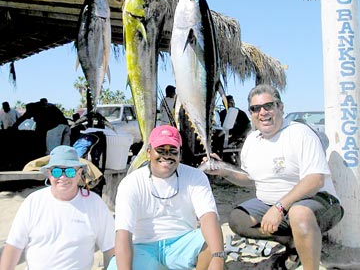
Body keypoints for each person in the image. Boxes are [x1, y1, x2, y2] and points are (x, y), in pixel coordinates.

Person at [205, 84, 344, 270]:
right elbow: (249, 178)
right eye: (255, 108)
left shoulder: (300, 133)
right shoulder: (252, 141)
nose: (262, 112)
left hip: (318, 201)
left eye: (268, 106)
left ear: (280, 107)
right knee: (238, 219)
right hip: (273, 205)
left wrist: (279, 207)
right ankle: (296, 244)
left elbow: (315, 180)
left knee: (298, 214)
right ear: (251, 113)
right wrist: (224, 171)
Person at [108, 125, 224, 270]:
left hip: (181, 244)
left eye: (172, 151)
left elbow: (209, 217)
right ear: (149, 152)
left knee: (211, 241)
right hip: (143, 248)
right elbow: (123, 233)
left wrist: (218, 257)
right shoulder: (130, 183)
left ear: (179, 153)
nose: (166, 156)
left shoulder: (196, 176)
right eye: (161, 150)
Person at [0, 145, 115, 269]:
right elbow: (14, 246)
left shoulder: (95, 204)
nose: (63, 177)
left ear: (79, 173)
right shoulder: (33, 202)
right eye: (56, 171)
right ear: (49, 173)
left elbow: (110, 248)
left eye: (70, 171)